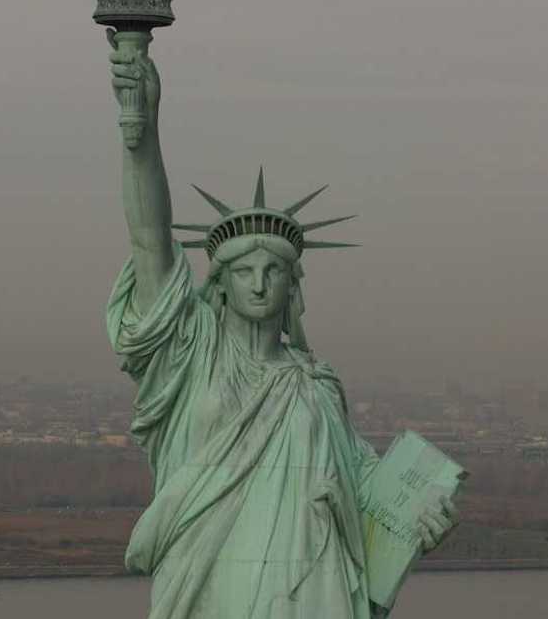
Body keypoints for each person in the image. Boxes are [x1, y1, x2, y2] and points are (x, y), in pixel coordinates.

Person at [105, 38, 455, 618]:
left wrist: (422, 515)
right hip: (211, 581)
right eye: (245, 271)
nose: (260, 284)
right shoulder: (192, 355)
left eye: (274, 271)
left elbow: (363, 487)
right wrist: (140, 132)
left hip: (313, 587)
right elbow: (149, 240)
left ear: (294, 286)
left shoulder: (315, 385)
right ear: (220, 283)